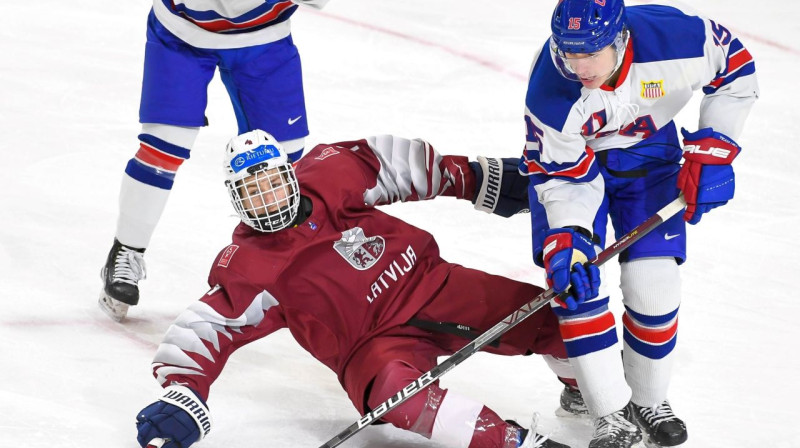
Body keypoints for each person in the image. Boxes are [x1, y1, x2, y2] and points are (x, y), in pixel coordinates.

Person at [134, 130, 579, 448]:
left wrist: (473, 177)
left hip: (432, 285)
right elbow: (205, 329)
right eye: (252, 193)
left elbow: (397, 164)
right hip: (371, 347)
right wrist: (184, 394)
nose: (267, 200)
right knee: (400, 401)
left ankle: (593, 393)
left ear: (289, 175)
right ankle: (516, 443)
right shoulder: (250, 265)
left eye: (271, 183)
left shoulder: (330, 172)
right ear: (236, 199)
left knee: (560, 318)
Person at [519, 1, 759, 447]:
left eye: (590, 53)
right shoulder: (551, 92)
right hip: (572, 170)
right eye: (568, 53)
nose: (578, 66)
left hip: (649, 154)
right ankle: (609, 414)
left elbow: (737, 68)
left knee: (654, 281)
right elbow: (564, 179)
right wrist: (572, 238)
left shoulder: (676, 39)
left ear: (620, 38)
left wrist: (715, 145)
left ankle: (648, 398)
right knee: (575, 285)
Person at [98, 0, 331, 321]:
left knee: (282, 163)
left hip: (265, 40)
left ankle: (282, 267)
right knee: (163, 148)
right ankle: (126, 251)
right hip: (182, 35)